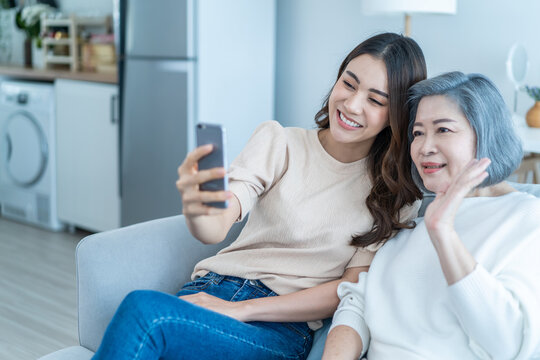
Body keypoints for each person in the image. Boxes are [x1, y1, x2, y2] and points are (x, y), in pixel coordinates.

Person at [92, 33, 427, 360]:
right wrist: (199, 210)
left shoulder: (395, 196)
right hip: (207, 293)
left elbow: (347, 290)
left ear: (395, 115)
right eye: (349, 84)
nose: (352, 104)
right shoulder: (280, 142)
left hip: (275, 328)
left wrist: (241, 310)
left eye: (376, 100)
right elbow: (217, 226)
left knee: (143, 310)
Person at [323, 72, 540, 360]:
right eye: (418, 133)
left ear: (485, 134)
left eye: (443, 130)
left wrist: (444, 234)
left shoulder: (525, 216)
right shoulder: (410, 225)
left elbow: (508, 345)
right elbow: (356, 306)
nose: (425, 147)